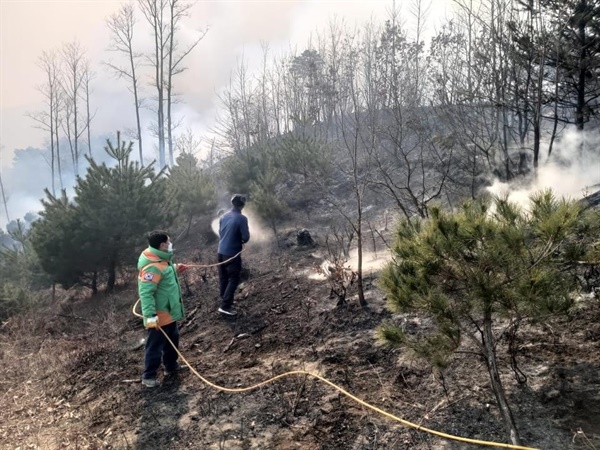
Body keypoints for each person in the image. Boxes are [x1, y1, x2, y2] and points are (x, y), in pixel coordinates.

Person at [138, 230, 190, 388]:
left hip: (169, 312)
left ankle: (171, 366)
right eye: (168, 241)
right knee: (155, 346)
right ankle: (149, 376)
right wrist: (150, 316)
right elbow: (146, 293)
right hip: (159, 316)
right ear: (162, 245)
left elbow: (164, 273)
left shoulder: (161, 260)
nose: (170, 244)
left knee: (172, 340)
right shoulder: (151, 267)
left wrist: (175, 268)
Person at [217, 194, 250, 316]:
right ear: (242, 205)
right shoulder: (242, 218)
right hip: (232, 254)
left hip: (220, 252)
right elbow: (246, 238)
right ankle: (225, 306)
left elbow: (221, 233)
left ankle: (225, 299)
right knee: (233, 278)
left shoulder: (223, 216)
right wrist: (240, 239)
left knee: (224, 277)